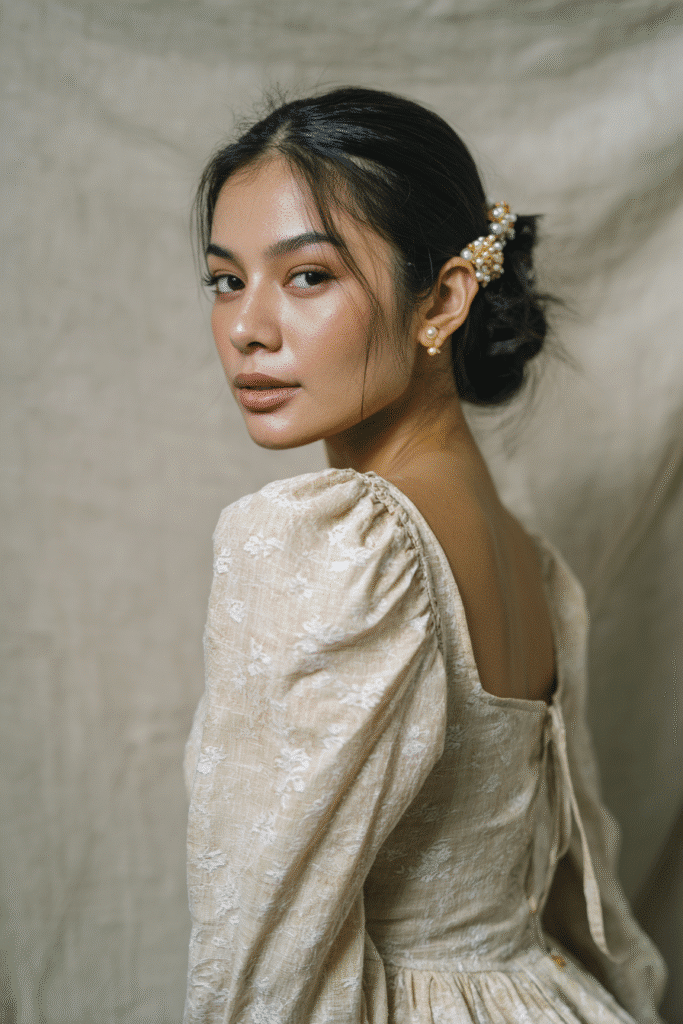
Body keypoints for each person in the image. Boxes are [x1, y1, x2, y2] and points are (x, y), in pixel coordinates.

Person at [183, 87, 666, 1024]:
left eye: (308, 276)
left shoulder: (338, 545)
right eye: (226, 279)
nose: (247, 325)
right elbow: (576, 890)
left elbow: (260, 949)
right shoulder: (529, 558)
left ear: (442, 297)